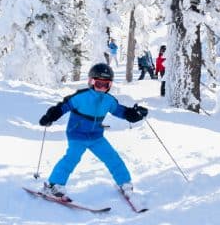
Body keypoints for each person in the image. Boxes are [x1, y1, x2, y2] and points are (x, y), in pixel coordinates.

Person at [38, 62, 148, 198]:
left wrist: (135, 114)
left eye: (106, 85)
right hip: (77, 134)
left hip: (96, 136)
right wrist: (50, 117)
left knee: (112, 157)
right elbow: (62, 107)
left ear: (110, 86)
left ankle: (124, 183)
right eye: (98, 84)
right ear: (91, 82)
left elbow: (122, 112)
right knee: (72, 158)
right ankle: (53, 185)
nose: (102, 88)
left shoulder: (109, 101)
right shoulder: (81, 97)